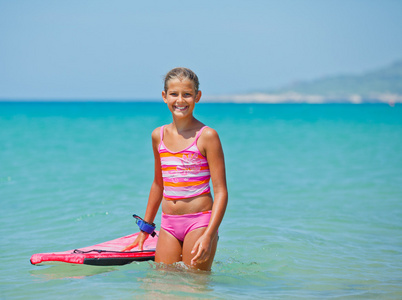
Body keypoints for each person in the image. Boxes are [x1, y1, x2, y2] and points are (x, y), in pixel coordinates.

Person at [122, 67, 228, 271]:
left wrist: (209, 235)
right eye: (174, 94)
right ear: (164, 96)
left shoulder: (207, 136)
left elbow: (221, 191)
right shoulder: (158, 136)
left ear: (197, 96)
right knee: (162, 284)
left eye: (187, 94)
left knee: (194, 286)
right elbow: (158, 184)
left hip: (199, 222)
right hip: (169, 224)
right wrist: (145, 228)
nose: (180, 100)